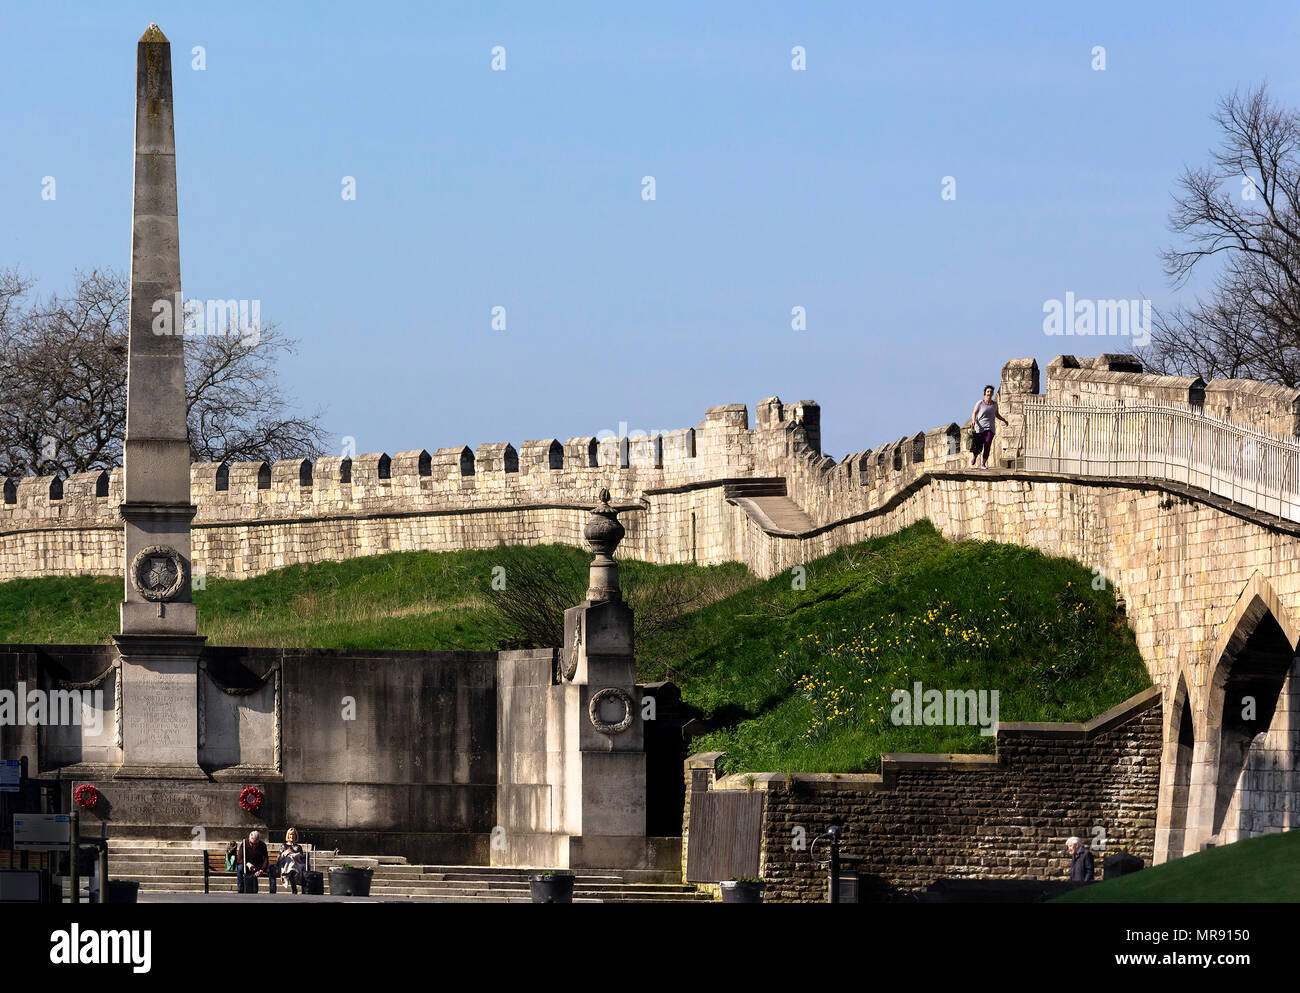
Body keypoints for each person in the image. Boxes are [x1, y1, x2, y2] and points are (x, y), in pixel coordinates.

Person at [969, 385, 1009, 469]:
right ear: (985, 393)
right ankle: (975, 456)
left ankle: (983, 464)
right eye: (988, 392)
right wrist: (973, 421)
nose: (989, 393)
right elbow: (974, 413)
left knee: (987, 444)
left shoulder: (994, 404)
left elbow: (996, 414)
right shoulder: (980, 403)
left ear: (992, 393)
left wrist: (1004, 420)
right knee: (979, 446)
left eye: (991, 392)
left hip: (990, 428)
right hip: (979, 428)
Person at [238, 830, 276, 894]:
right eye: (252, 843)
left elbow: (265, 859)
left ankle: (272, 890)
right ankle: (240, 889)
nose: (254, 845)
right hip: (247, 866)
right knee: (240, 868)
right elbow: (239, 859)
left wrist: (262, 870)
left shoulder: (262, 845)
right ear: (249, 839)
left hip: (259, 866)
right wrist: (247, 864)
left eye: (256, 844)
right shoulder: (244, 844)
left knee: (271, 868)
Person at [279, 827, 308, 895]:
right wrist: (285, 852)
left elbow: (301, 858)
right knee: (289, 860)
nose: (292, 836)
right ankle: (294, 889)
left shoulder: (298, 847)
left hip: (297, 865)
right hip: (286, 865)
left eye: (293, 834)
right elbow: (280, 858)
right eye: (290, 834)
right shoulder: (284, 846)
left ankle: (294, 889)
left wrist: (294, 854)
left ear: (295, 836)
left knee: (292, 863)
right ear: (288, 836)